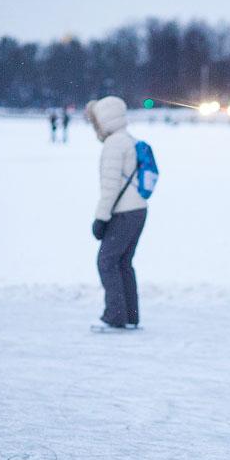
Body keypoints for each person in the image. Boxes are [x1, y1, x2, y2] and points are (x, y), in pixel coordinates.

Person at [86, 96, 148, 332]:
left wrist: (100, 218)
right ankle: (130, 316)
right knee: (123, 263)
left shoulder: (114, 144)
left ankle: (115, 316)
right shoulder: (129, 140)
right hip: (138, 209)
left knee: (107, 261)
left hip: (124, 212)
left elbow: (110, 187)